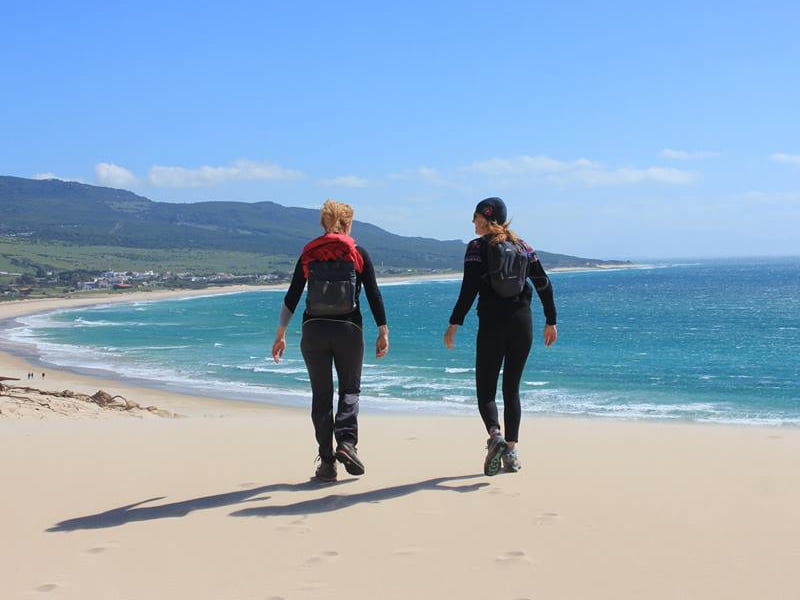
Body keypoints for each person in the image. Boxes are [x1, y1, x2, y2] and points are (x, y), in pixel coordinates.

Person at [272, 200, 389, 482]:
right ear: (348, 224)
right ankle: (346, 443)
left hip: (313, 330)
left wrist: (281, 333)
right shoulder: (357, 252)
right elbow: (373, 294)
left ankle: (326, 463)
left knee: (321, 396)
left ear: (323, 223)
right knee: (349, 390)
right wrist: (383, 331)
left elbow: (293, 295)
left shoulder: (309, 253)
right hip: (348, 329)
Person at [444, 197, 557, 476]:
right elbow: (543, 283)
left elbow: (468, 289)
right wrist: (550, 320)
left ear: (485, 218)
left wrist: (454, 323)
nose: (472, 222)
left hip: (492, 323)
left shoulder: (476, 248)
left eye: (475, 217)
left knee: (486, 389)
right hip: (522, 322)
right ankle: (512, 452)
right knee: (512, 389)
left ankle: (494, 436)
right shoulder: (523, 247)